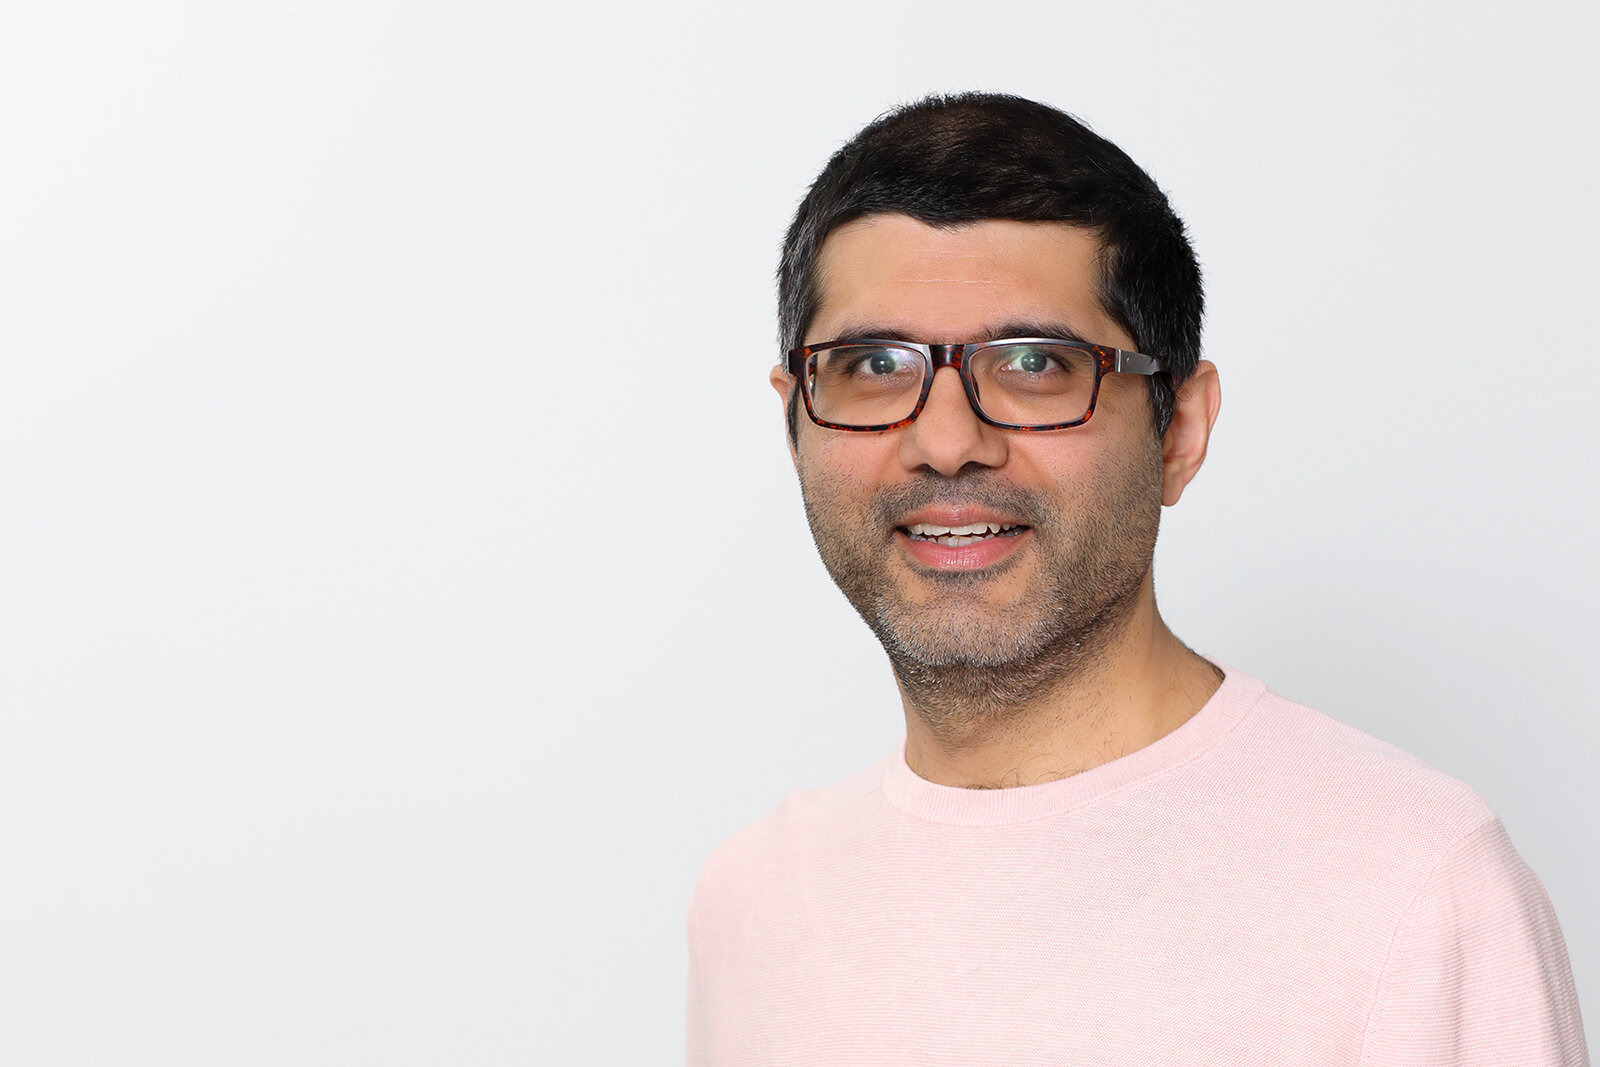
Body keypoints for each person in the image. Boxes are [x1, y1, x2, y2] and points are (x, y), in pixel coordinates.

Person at [686, 93, 1588, 1065]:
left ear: (1181, 430)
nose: (945, 440)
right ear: (794, 417)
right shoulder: (751, 902)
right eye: (873, 362)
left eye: (1035, 362)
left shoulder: (1416, 892)